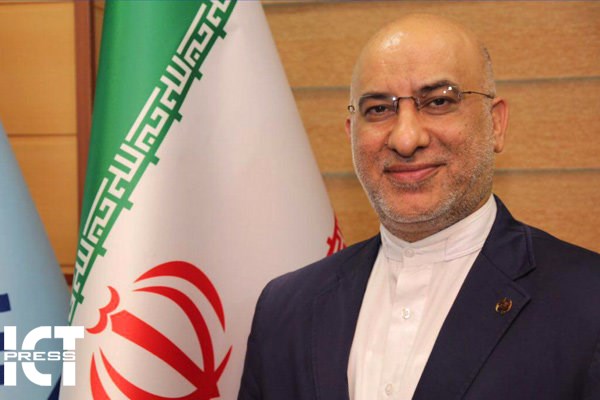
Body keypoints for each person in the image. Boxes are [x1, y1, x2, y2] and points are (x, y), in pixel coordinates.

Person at [238, 13, 600, 400]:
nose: (406, 139)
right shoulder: (285, 309)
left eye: (439, 101)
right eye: (379, 109)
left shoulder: (588, 301)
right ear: (351, 134)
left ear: (495, 123)